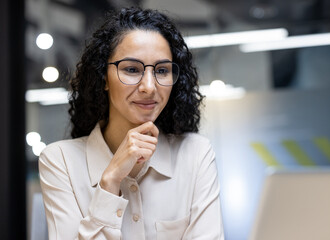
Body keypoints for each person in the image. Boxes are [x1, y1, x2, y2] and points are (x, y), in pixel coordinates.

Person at [39, 7, 224, 240]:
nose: (149, 86)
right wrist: (110, 181)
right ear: (104, 77)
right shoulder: (60, 161)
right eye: (132, 69)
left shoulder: (195, 154)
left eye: (162, 70)